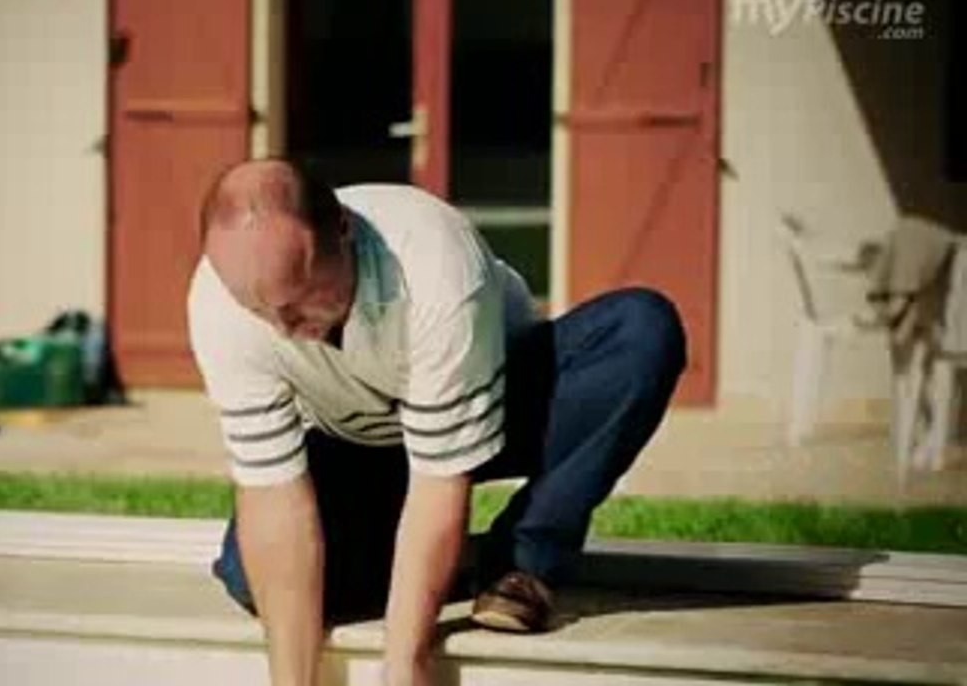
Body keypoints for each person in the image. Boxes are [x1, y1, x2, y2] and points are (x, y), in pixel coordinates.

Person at [187, 158, 686, 686]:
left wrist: (404, 664)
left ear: (342, 228)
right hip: (362, 444)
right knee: (251, 575)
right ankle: (444, 562)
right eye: (259, 309)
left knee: (640, 331)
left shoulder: (432, 261)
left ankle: (523, 558)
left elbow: (438, 484)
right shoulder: (220, 304)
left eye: (300, 296)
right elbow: (274, 498)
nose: (283, 330)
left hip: (500, 404)